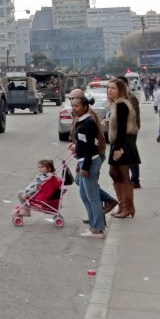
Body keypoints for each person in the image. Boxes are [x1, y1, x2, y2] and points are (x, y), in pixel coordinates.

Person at [69, 94, 107, 237]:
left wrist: (85, 166)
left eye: (77, 106)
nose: (74, 109)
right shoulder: (81, 121)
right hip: (84, 160)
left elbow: (91, 146)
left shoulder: (89, 122)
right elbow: (83, 144)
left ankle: (98, 229)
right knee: (84, 195)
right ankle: (94, 226)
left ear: (85, 107)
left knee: (93, 197)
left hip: (90, 161)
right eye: (73, 106)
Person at [105, 78, 141, 218]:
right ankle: (122, 206)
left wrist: (118, 148)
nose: (110, 90)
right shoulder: (116, 104)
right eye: (108, 88)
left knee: (123, 175)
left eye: (113, 88)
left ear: (121, 90)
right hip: (118, 142)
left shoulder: (121, 105)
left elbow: (121, 129)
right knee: (114, 173)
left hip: (123, 143)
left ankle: (128, 207)